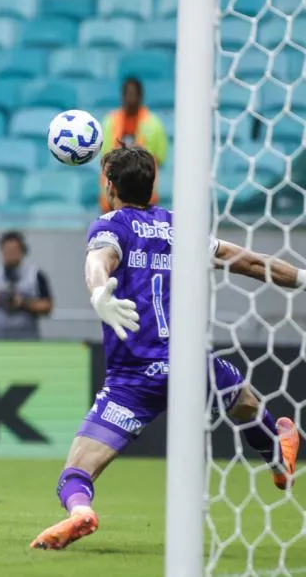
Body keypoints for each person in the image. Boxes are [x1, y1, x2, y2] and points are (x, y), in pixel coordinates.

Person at [30, 147, 299, 551]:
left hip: (132, 378)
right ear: (153, 186)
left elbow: (98, 261)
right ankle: (276, 451)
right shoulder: (179, 228)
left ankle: (80, 512)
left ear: (109, 185)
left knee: (76, 474)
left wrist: (100, 292)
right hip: (190, 365)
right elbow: (247, 260)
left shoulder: (111, 225)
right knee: (244, 400)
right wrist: (302, 278)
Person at [99, 77, 169, 213]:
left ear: (141, 96)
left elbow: (160, 158)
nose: (131, 99)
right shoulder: (110, 122)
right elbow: (105, 157)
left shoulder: (154, 124)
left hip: (143, 200)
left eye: (134, 95)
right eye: (128, 94)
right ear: (122, 96)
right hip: (113, 199)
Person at [0, 231, 53, 340]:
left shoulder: (35, 275)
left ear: (23, 251)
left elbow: (47, 306)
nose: (10, 255)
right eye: (7, 251)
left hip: (27, 338)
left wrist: (24, 303)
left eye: (14, 251)